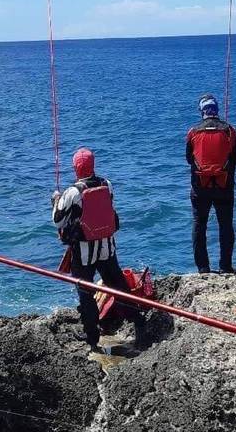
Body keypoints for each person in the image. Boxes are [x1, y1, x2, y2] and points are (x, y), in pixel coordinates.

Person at [52, 147, 145, 352]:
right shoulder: (107, 184)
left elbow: (57, 221)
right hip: (107, 247)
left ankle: (92, 337)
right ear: (93, 165)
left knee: (86, 292)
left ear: (76, 168)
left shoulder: (72, 192)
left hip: (83, 252)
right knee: (118, 286)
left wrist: (56, 201)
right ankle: (138, 323)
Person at [186, 94, 236, 274]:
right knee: (225, 225)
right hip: (224, 186)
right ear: (216, 110)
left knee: (199, 225)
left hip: (199, 188)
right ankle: (225, 266)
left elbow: (189, 159)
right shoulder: (230, 131)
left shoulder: (193, 132)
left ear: (202, 111)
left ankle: (203, 268)